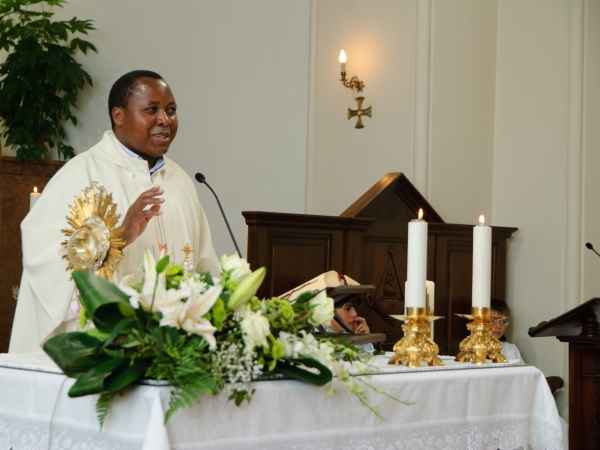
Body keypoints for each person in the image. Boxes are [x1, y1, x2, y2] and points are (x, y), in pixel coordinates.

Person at [9, 70, 219, 353]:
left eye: (171, 110)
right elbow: (43, 263)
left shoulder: (180, 181)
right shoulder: (78, 176)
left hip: (176, 351)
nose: (165, 120)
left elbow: (205, 265)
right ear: (118, 116)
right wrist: (119, 235)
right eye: (151, 110)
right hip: (105, 348)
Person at [491, 299, 524, 363]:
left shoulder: (512, 349)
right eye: (493, 320)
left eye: (502, 321)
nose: (498, 326)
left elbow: (523, 372)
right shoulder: (470, 349)